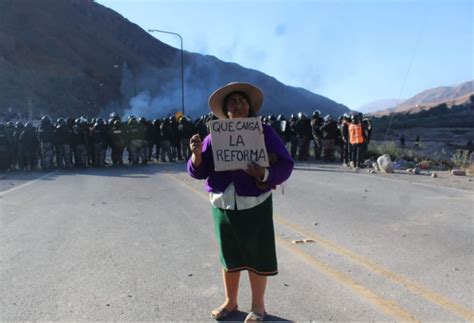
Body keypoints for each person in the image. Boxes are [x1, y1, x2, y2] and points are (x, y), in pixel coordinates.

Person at [187, 82, 294, 322]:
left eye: (243, 100)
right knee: (229, 255)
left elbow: (286, 164)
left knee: (257, 255)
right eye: (233, 101)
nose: (239, 105)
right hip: (223, 203)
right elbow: (199, 171)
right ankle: (231, 302)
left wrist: (264, 175)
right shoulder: (214, 136)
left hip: (254, 203)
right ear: (225, 110)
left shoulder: (264, 132)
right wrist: (196, 156)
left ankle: (258, 307)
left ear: (250, 106)